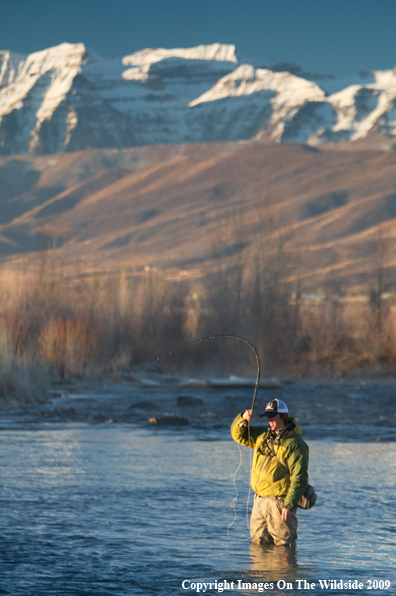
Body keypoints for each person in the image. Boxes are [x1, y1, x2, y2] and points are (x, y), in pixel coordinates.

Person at [230, 398, 309, 546]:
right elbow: (238, 436)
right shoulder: (262, 436)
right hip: (259, 502)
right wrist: (243, 419)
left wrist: (290, 505)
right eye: (267, 416)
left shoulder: (296, 444)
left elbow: (299, 477)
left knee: (284, 549)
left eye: (273, 416)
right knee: (258, 547)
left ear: (284, 416)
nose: (269, 420)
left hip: (280, 504)